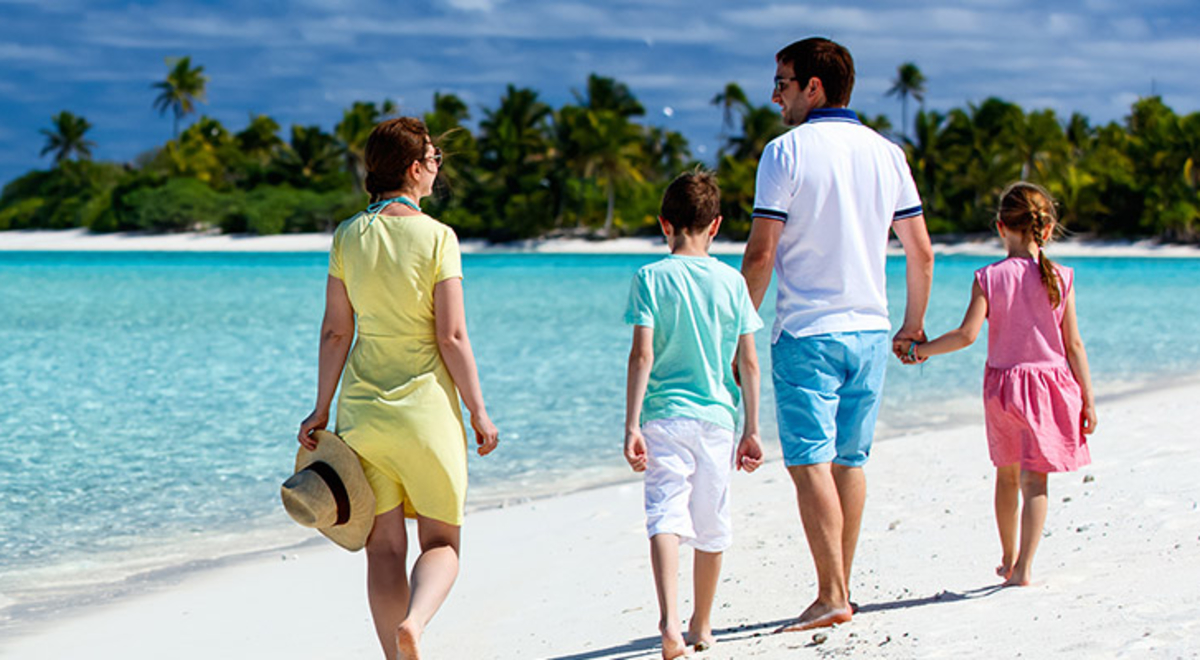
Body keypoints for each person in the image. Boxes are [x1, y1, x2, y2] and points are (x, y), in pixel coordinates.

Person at [740, 37, 935, 631]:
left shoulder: (785, 152)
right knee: (849, 462)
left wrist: (736, 331)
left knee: (810, 464)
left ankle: (832, 594)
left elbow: (761, 255)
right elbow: (921, 252)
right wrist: (912, 324)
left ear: (813, 88)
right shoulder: (888, 153)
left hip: (807, 331)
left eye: (782, 83)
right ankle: (840, 587)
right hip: (872, 332)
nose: (775, 96)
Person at [296, 117, 499, 660]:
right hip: (427, 415)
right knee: (442, 543)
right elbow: (452, 336)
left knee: (383, 548)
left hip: (363, 415)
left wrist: (320, 409)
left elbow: (337, 330)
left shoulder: (347, 235)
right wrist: (479, 411)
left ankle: (395, 653)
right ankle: (416, 622)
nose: (437, 168)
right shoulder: (438, 238)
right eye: (434, 159)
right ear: (414, 169)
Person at [908, 182, 1096, 587]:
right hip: (1050, 388)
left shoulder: (989, 277)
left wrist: (922, 351)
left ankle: (1008, 558)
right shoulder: (1063, 277)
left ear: (1000, 227)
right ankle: (1024, 569)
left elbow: (966, 335)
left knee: (1006, 476)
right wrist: (1089, 400)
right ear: (1046, 230)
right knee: (1035, 481)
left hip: (1003, 389)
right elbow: (1074, 344)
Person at [624, 170, 765, 659]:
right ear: (717, 224)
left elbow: (641, 356)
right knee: (711, 522)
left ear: (665, 224)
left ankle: (668, 621)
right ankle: (702, 624)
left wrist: (631, 424)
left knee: (664, 513)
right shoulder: (732, 282)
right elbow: (748, 362)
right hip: (719, 419)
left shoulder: (649, 278)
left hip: (663, 416)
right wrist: (753, 429)